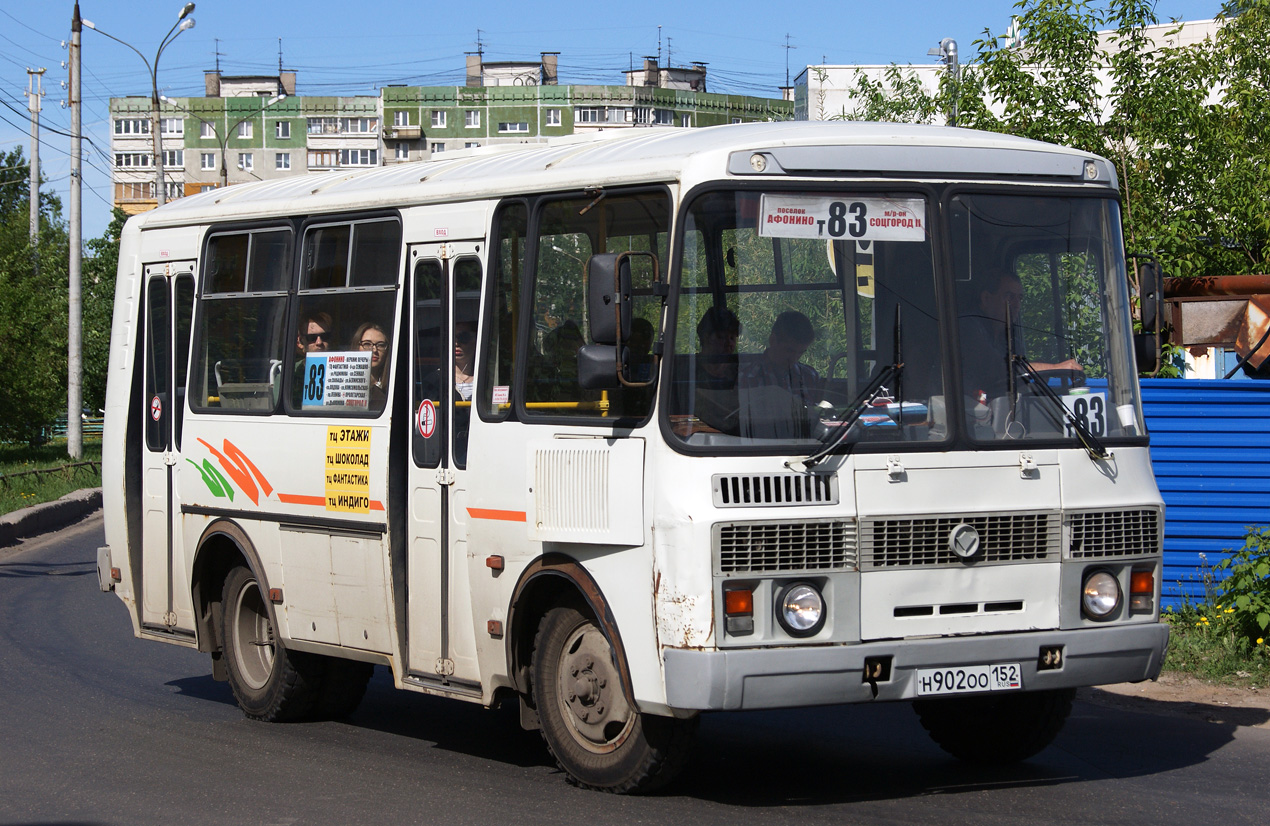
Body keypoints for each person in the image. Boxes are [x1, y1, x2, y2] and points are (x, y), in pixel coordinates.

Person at [960, 269, 1082, 399]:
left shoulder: (1010, 340)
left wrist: (1041, 374)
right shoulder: (968, 328)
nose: (1017, 304)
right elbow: (1000, 370)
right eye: (1009, 297)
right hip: (966, 413)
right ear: (986, 298)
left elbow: (1018, 380)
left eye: (1019, 298)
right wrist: (1053, 368)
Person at [740, 310, 821, 407]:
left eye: (800, 353)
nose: (794, 359)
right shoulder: (748, 378)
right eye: (789, 351)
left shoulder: (810, 376)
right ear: (773, 340)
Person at [293, 310, 334, 407]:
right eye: (312, 338)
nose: (319, 342)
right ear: (300, 342)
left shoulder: (342, 370)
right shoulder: (290, 374)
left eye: (325, 336)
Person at [353, 321, 390, 409]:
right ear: (357, 347)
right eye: (367, 344)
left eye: (380, 345)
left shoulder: (392, 386)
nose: (374, 350)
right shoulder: (345, 387)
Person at [453, 320, 477, 401]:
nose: (457, 343)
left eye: (463, 337)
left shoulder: (489, 379)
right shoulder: (435, 380)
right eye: (452, 338)